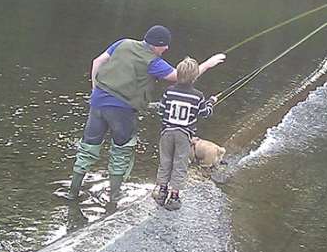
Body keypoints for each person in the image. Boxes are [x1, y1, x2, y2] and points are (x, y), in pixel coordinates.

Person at [66, 25, 225, 211]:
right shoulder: (153, 62)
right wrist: (208, 63)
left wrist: (95, 90)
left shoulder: (122, 43)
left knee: (88, 148)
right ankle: (114, 198)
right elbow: (180, 77)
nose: (166, 49)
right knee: (121, 151)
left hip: (97, 104)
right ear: (157, 45)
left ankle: (72, 192)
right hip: (122, 111)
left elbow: (97, 62)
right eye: (164, 46)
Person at [153, 57, 216, 211]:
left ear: (178, 74)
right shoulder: (198, 95)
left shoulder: (168, 91)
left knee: (165, 161)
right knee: (180, 164)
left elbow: (161, 110)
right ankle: (174, 196)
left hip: (167, 133)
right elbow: (204, 113)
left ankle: (161, 191)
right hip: (184, 135)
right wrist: (211, 103)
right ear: (195, 77)